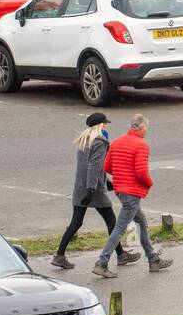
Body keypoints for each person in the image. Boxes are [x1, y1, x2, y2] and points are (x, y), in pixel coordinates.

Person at [52, 113, 138, 270]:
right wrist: (92, 189)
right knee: (112, 222)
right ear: (101, 125)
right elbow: (94, 166)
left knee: (76, 222)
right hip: (93, 190)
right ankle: (121, 255)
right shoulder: (100, 141)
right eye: (106, 124)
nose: (107, 126)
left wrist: (106, 181)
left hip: (80, 187)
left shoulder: (85, 140)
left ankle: (59, 255)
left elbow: (86, 167)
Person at [92, 113, 172, 278]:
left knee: (141, 221)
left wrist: (122, 175)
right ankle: (102, 262)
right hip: (132, 192)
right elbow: (141, 172)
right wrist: (149, 184)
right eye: (146, 128)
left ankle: (153, 259)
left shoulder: (117, 142)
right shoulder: (141, 145)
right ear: (142, 127)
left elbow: (107, 167)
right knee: (120, 228)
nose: (146, 131)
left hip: (121, 190)